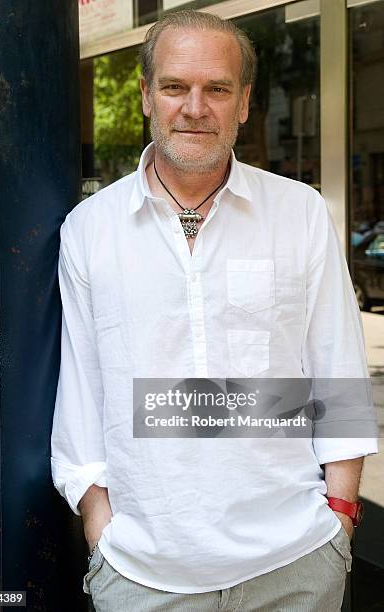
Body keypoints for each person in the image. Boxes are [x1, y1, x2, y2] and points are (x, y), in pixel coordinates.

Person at [51, 10, 378, 611]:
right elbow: (81, 390)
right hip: (142, 572)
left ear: (245, 102)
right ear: (147, 95)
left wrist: (340, 519)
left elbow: (337, 371)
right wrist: (100, 525)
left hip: (297, 562)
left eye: (217, 89)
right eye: (175, 86)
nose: (195, 107)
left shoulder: (299, 213)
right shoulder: (90, 230)